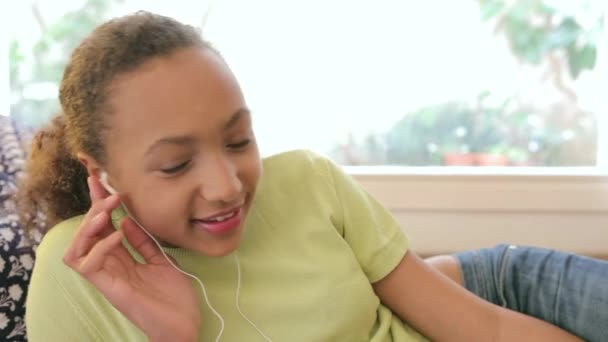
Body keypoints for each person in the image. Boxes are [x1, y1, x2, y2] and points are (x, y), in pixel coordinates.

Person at [18, 11, 606, 342]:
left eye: (238, 139)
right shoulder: (77, 273)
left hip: (498, 281)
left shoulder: (309, 180)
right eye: (176, 164)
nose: (226, 185)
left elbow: (487, 329)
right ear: (102, 172)